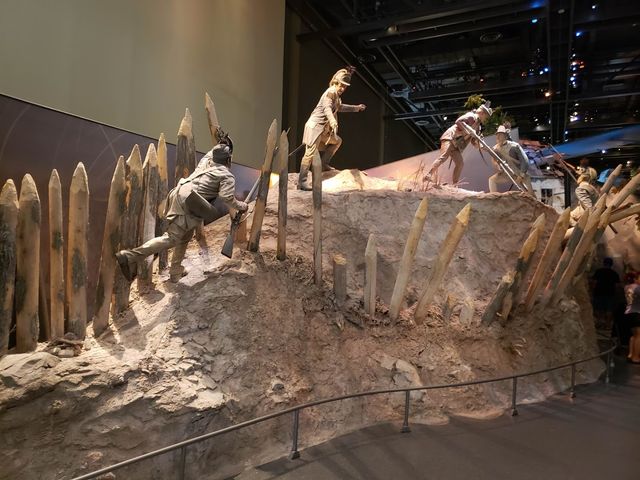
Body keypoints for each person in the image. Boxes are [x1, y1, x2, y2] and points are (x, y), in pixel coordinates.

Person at [116, 144, 247, 282]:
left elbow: (209, 154)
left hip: (181, 195)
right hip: (188, 202)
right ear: (228, 160)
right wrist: (242, 206)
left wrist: (221, 143)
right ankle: (129, 256)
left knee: (186, 235)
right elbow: (226, 197)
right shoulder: (226, 175)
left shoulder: (207, 163)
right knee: (171, 238)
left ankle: (176, 270)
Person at [298, 66, 366, 191]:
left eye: (345, 86)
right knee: (309, 154)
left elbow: (339, 107)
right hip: (315, 127)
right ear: (335, 83)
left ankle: (324, 164)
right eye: (341, 85)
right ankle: (301, 182)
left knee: (337, 141)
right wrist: (333, 121)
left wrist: (356, 108)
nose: (343, 88)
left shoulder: (336, 96)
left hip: (323, 130)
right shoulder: (330, 92)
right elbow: (327, 109)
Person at [425, 103, 493, 185]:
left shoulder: (478, 127)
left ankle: (455, 184)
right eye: (486, 116)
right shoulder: (471, 116)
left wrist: (481, 146)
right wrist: (469, 131)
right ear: (482, 113)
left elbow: (474, 141)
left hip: (456, 145)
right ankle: (428, 175)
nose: (486, 119)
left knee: (460, 163)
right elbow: (458, 121)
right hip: (450, 138)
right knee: (444, 157)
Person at [488, 125, 534, 194]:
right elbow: (494, 158)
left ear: (505, 136)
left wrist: (521, 175)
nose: (498, 137)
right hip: (507, 173)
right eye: (497, 135)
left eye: (500, 134)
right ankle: (494, 197)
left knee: (529, 195)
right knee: (492, 180)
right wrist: (497, 166)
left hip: (519, 172)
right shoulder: (495, 148)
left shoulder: (514, 146)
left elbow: (525, 161)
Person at [591, 257, 620, 330]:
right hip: (610, 293)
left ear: (604, 263)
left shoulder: (598, 271)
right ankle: (607, 325)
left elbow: (594, 283)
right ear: (611, 264)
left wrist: (592, 291)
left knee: (598, 308)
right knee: (609, 309)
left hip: (598, 292)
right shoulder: (614, 273)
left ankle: (599, 323)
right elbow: (617, 286)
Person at [624, 272, 640, 364]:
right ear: (635, 279)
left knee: (634, 336)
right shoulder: (637, 288)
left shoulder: (627, 287)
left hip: (629, 312)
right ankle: (636, 357)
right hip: (637, 313)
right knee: (639, 336)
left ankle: (630, 354)